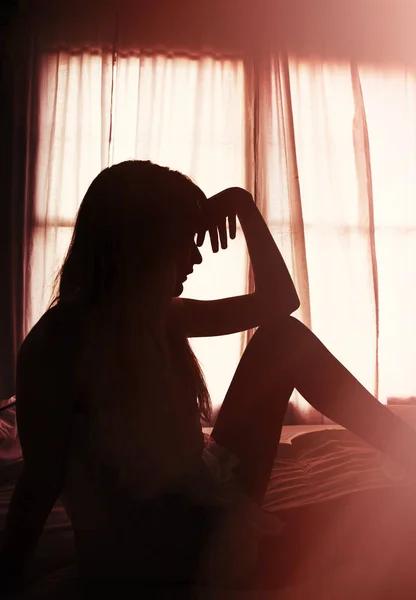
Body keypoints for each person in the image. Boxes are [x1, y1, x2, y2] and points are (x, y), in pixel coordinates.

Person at [2, 159, 416, 595]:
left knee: (283, 339)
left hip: (199, 498)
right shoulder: (61, 342)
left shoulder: (156, 316)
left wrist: (243, 203)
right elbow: (39, 482)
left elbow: (280, 300)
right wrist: (9, 578)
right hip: (158, 551)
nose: (196, 257)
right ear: (146, 243)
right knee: (385, 522)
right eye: (186, 241)